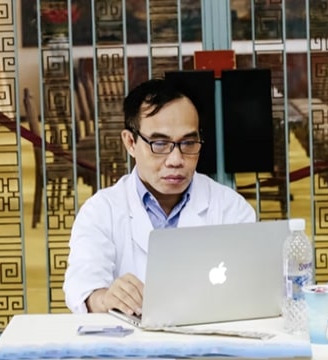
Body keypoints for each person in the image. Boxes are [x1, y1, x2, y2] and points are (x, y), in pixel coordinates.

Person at [63, 78, 257, 314]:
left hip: (209, 344)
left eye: (188, 143)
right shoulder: (101, 211)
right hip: (130, 346)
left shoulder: (230, 208)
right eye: (159, 144)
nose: (176, 160)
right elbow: (83, 288)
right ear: (130, 142)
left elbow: (252, 289)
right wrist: (105, 298)